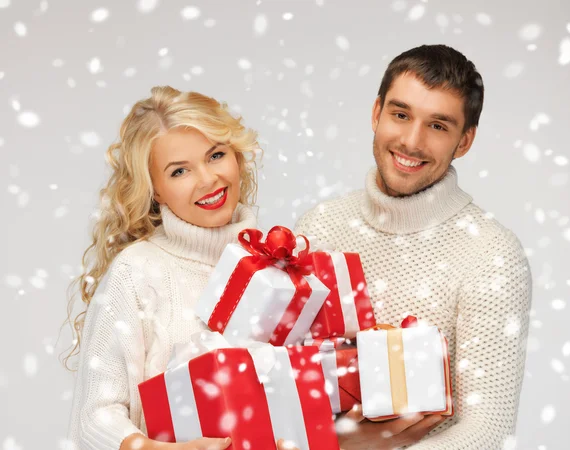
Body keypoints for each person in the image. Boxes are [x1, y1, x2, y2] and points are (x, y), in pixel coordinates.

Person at [295, 45, 532, 449]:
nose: (411, 141)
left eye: (438, 126)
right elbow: (282, 379)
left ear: (465, 141)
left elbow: (487, 430)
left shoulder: (492, 255)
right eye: (400, 115)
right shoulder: (320, 226)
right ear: (376, 113)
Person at [63, 86, 295, 450]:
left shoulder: (281, 261)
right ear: (155, 189)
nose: (207, 179)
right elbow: (93, 417)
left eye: (216, 155)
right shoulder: (137, 272)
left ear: (237, 157)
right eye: (179, 171)